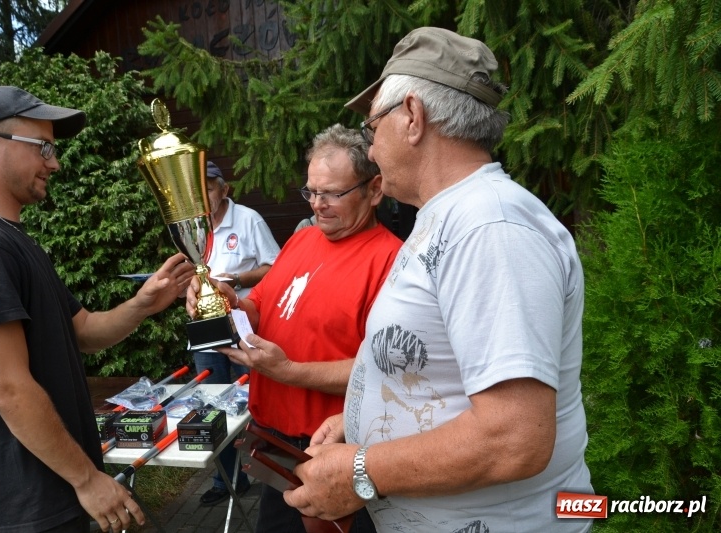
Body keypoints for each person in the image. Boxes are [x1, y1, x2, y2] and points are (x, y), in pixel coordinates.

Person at [281, 27, 594, 532]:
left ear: (413, 117)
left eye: (372, 128)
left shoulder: (489, 227)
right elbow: (441, 372)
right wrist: (364, 425)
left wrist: (361, 469)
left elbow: (513, 438)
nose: (372, 149)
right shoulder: (451, 216)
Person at [0, 86, 196, 533]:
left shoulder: (10, 240)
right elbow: (7, 388)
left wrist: (143, 304)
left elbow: (84, 331)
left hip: (45, 499)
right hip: (16, 507)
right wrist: (88, 479)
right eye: (43, 147)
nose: (55, 162)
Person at [187, 123, 403, 533]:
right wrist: (226, 300)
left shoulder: (391, 263)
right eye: (311, 191)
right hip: (275, 444)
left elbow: (383, 374)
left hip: (332, 454)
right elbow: (260, 307)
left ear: (374, 189)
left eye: (332, 193)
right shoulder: (303, 240)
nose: (317, 205)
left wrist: (288, 371)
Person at [194, 160, 280, 506]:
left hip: (244, 326)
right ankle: (227, 481)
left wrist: (237, 281)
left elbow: (275, 267)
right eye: (198, 191)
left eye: (210, 188)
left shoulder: (248, 219)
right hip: (205, 329)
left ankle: (270, 475)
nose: (205, 196)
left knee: (256, 404)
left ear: (224, 189)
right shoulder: (194, 227)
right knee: (212, 406)